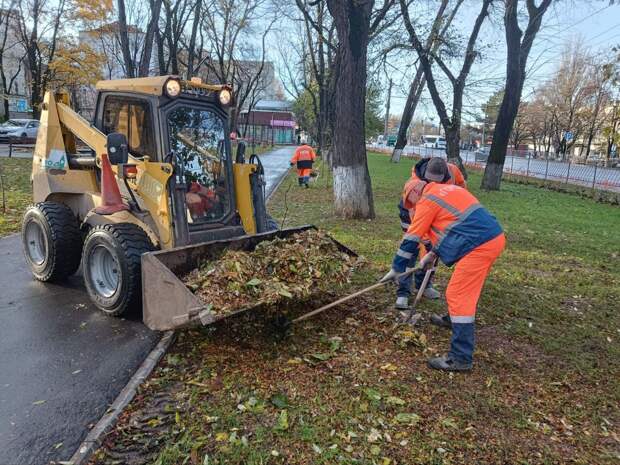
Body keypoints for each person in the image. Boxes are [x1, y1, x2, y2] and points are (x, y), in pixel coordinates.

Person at [382, 158, 505, 372]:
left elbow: (411, 238)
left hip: (479, 245)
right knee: (465, 290)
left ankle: (460, 358)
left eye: (413, 201)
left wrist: (397, 268)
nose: (413, 205)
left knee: (458, 294)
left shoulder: (427, 201)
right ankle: (452, 320)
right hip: (490, 238)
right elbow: (454, 226)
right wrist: (433, 254)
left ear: (418, 191)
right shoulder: (448, 191)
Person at [395, 158, 467, 310]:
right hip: (412, 214)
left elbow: (461, 188)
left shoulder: (453, 172)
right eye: (429, 180)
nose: (432, 184)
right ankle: (403, 292)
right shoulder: (415, 186)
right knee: (411, 250)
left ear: (444, 175)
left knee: (432, 254)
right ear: (425, 173)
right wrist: (426, 241)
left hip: (438, 214)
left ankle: (424, 284)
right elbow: (417, 226)